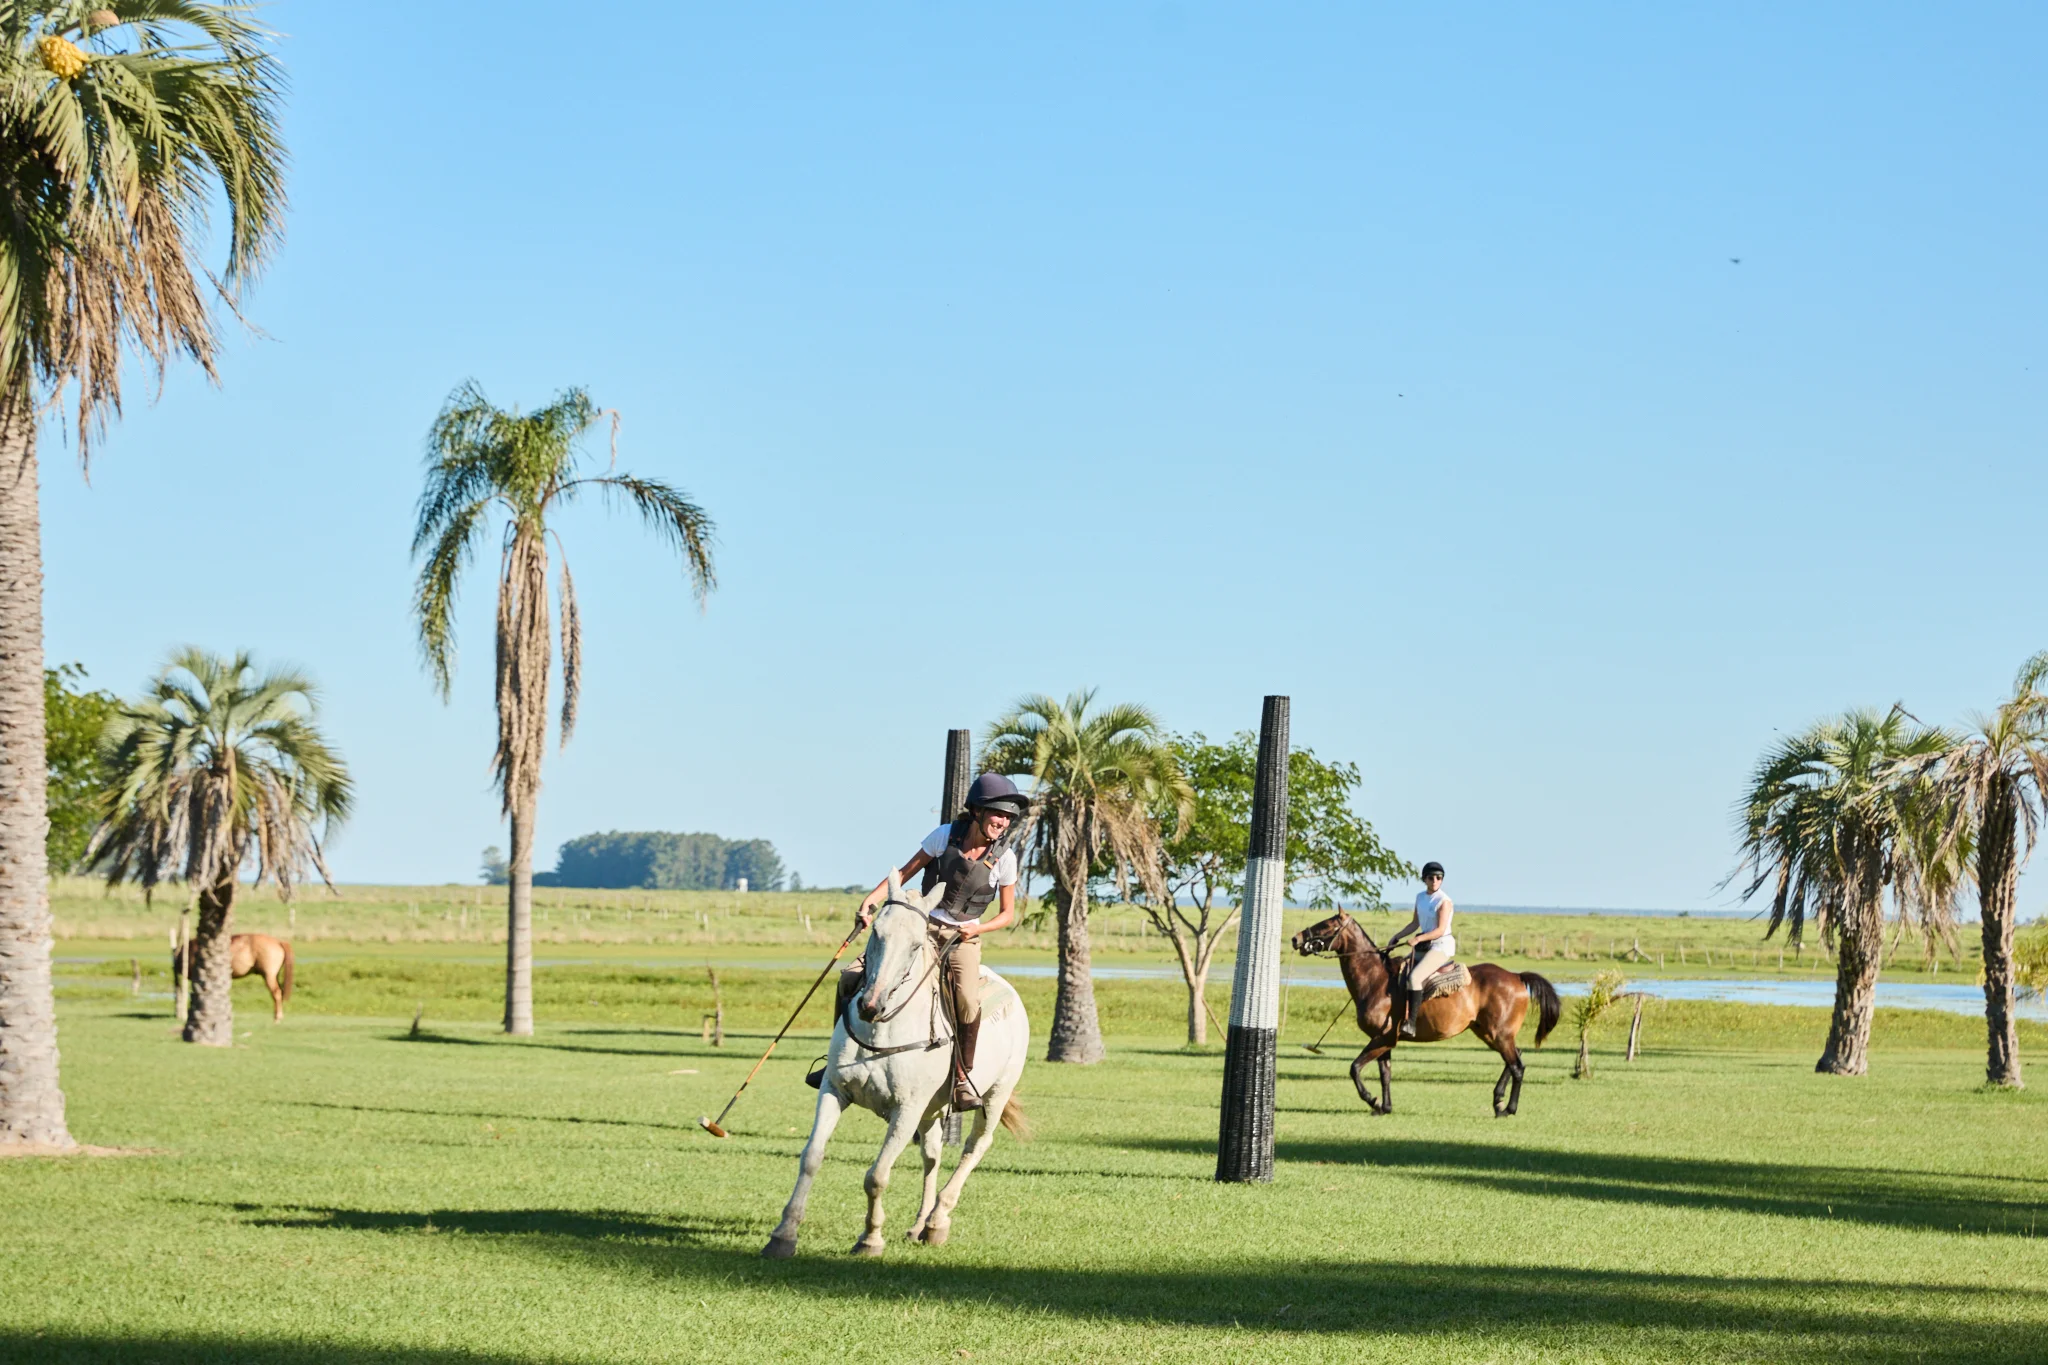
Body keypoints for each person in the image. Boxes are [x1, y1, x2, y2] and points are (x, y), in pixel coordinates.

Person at [851, 773, 1030, 1109]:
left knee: (966, 1001)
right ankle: (838, 1055)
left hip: (964, 938)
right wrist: (870, 902)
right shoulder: (944, 836)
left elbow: (1007, 914)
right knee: (853, 974)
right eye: (997, 814)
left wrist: (978, 930)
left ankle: (963, 1078)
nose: (1003, 822)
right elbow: (904, 873)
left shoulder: (1005, 859)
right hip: (922, 928)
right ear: (977, 811)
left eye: (1008, 817)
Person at [1388, 860, 1455, 1038]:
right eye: (1431, 877)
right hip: (1425, 944)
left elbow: (1440, 930)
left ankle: (1411, 1023)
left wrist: (1418, 938)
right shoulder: (1420, 897)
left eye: (1439, 877)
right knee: (1399, 974)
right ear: (1424, 879)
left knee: (1414, 977)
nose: (1435, 880)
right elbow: (1415, 923)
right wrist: (1398, 936)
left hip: (1441, 945)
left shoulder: (1444, 901)